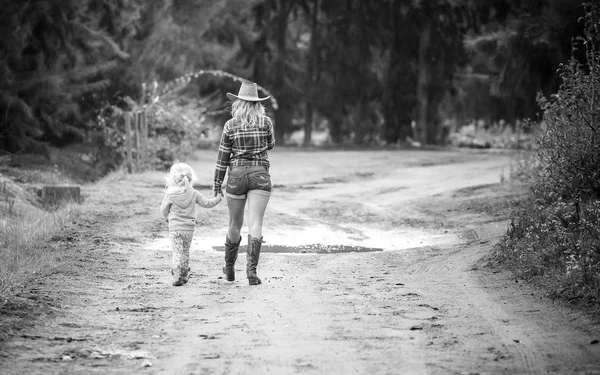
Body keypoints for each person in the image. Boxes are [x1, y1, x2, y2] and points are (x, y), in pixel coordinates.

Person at [214, 81, 275, 286]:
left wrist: (216, 185)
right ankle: (251, 271)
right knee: (255, 223)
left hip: (236, 176)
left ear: (238, 102)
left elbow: (222, 158)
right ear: (258, 103)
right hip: (260, 175)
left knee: (234, 224)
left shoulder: (230, 125)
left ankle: (230, 268)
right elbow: (271, 144)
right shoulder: (266, 122)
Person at [161, 162, 222, 286]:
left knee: (177, 251)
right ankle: (184, 273)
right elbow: (207, 203)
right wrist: (218, 198)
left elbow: (163, 209)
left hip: (174, 229)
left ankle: (177, 275)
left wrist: (167, 217)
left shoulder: (170, 194)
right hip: (188, 229)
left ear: (173, 179)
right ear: (191, 178)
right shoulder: (194, 193)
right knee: (185, 251)